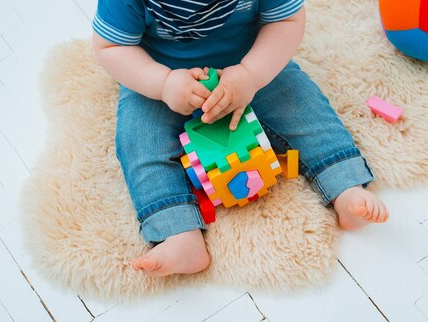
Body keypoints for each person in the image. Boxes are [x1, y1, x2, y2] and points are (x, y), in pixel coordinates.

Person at [92, 0, 389, 277]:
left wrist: (251, 74)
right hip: (159, 76)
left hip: (247, 62)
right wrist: (162, 83)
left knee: (301, 106)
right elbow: (112, 46)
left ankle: (345, 185)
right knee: (140, 141)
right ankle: (177, 232)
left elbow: (286, 20)